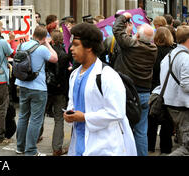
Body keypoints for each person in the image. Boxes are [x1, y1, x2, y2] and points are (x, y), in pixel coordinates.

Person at [65, 22, 137, 156]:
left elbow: (117, 112)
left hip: (105, 147)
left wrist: (85, 117)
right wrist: (71, 114)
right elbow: (73, 102)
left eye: (76, 45)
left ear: (89, 47)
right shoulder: (74, 75)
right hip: (79, 145)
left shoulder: (108, 75)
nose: (71, 49)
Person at [112, 12, 157, 156]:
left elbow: (117, 31)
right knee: (141, 131)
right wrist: (133, 34)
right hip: (144, 94)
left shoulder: (132, 45)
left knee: (124, 128)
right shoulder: (153, 49)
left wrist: (124, 17)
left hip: (127, 93)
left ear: (137, 36)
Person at [15, 26, 58, 156]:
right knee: (35, 119)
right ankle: (31, 150)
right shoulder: (42, 49)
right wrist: (47, 44)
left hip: (22, 84)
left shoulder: (21, 46)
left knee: (23, 116)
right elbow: (55, 58)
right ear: (44, 38)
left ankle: (20, 147)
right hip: (38, 88)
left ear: (33, 34)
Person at [158, 25, 189, 156]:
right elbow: (186, 85)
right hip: (182, 106)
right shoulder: (185, 58)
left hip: (171, 104)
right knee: (186, 148)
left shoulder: (169, 55)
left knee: (183, 142)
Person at [45, 30, 73, 156]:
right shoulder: (64, 55)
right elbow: (63, 75)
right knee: (58, 119)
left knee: (38, 116)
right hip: (60, 90)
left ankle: (34, 139)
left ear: (52, 40)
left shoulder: (46, 52)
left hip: (46, 88)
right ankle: (57, 148)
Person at [147, 27, 174, 154]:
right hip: (168, 89)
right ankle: (166, 147)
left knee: (152, 118)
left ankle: (150, 146)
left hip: (153, 89)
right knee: (167, 120)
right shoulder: (173, 52)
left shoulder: (151, 51)